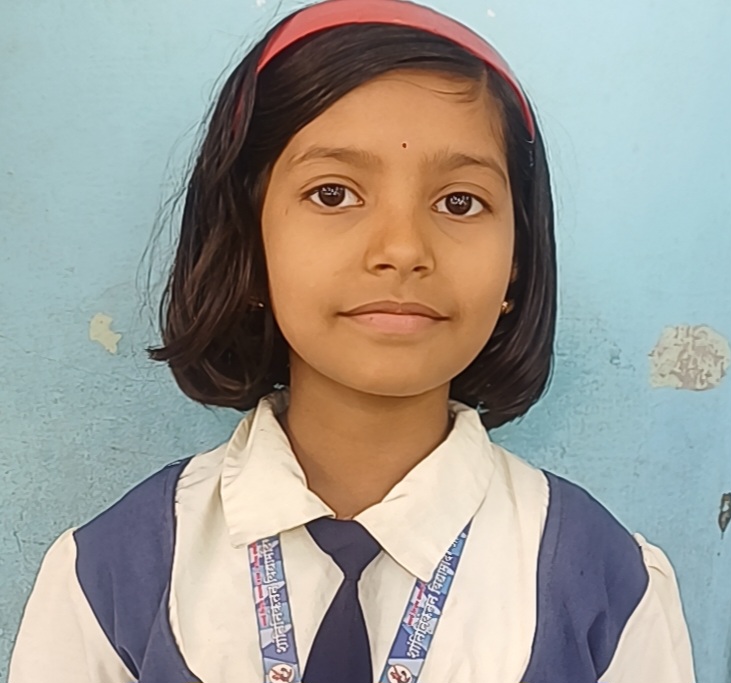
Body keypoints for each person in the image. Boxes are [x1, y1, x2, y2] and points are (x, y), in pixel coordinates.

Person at [9, 0, 696, 681]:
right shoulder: (107, 581)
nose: (402, 249)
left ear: (516, 260)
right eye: (333, 194)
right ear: (248, 240)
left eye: (459, 202)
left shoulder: (608, 588)